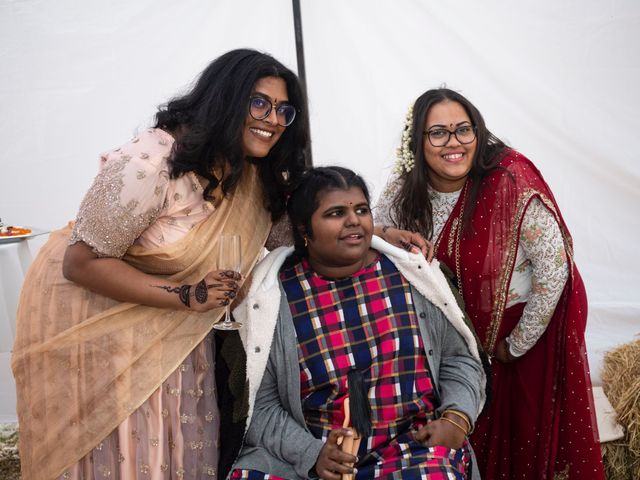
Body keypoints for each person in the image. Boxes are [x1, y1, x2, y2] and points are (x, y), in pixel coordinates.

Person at [11, 48, 310, 480]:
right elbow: (80, 262)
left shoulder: (251, 172)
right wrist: (188, 294)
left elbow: (292, 237)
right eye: (259, 103)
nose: (273, 120)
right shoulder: (151, 162)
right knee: (121, 457)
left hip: (180, 327)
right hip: (95, 320)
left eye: (284, 110)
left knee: (176, 447)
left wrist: (376, 234)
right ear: (225, 99)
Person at [375, 87, 606, 479]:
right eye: (438, 133)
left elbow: (553, 271)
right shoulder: (403, 193)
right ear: (417, 141)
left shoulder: (510, 182)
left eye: (463, 129)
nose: (454, 143)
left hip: (516, 340)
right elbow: (374, 243)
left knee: (520, 452)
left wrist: (514, 347)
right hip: (448, 344)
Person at [228, 166, 486, 480]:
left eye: (361, 210)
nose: (354, 220)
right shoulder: (272, 298)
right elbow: (262, 404)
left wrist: (457, 418)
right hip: (315, 453)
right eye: (336, 213)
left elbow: (459, 359)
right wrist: (312, 454)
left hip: (412, 448)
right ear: (304, 231)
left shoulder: (411, 276)